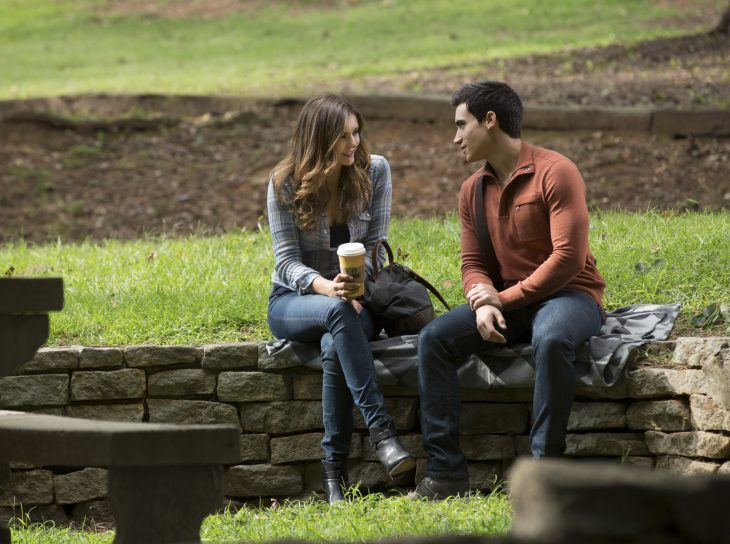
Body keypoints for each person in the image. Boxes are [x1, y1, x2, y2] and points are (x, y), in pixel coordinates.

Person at [411, 81, 606, 500]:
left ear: (490, 121)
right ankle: (445, 474)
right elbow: (473, 264)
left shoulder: (557, 171)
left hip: (569, 295)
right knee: (433, 340)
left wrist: (506, 299)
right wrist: (482, 301)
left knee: (552, 339)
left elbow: (569, 258)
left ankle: (543, 475)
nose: (455, 137)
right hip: (506, 301)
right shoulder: (471, 190)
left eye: (462, 125)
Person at [266, 94, 415, 504]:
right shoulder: (285, 183)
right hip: (294, 301)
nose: (354, 143)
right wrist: (327, 287)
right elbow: (285, 264)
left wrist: (355, 284)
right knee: (335, 313)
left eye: (356, 132)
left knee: (336, 344)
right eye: (343, 136)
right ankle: (384, 433)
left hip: (355, 303)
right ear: (319, 140)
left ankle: (333, 472)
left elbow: (376, 248)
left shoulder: (375, 172)